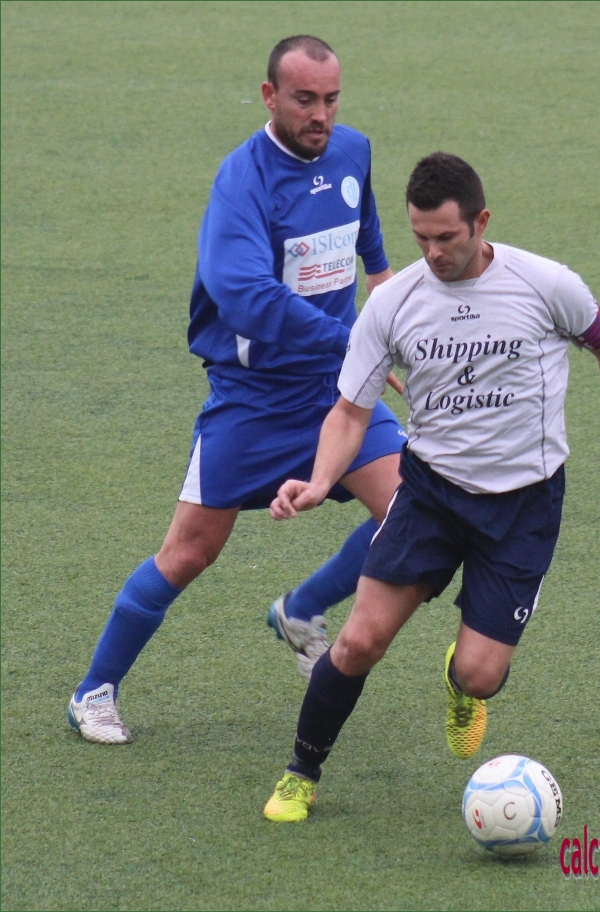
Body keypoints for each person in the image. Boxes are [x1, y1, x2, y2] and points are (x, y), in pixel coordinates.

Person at [262, 152, 600, 821]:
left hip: (524, 505)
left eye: (447, 237)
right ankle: (302, 772)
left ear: (481, 222)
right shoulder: (393, 304)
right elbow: (350, 411)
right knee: (358, 642)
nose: (434, 253)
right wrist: (321, 479)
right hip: (431, 496)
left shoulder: (545, 284)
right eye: (421, 238)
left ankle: (459, 680)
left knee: (480, 673)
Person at [67, 35, 408, 745]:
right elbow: (246, 298)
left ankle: (301, 609)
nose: (321, 115)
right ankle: (93, 691)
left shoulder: (352, 151)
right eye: (305, 99)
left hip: (335, 390)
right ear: (269, 97)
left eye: (332, 99)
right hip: (253, 400)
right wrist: (354, 342)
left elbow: (369, 245)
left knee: (411, 512)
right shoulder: (241, 182)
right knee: (189, 552)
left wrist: (395, 321)